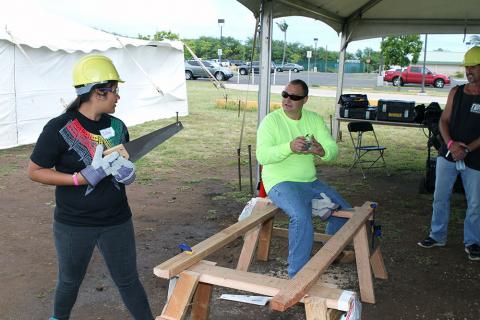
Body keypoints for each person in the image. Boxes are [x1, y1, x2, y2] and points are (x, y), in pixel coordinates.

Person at [27, 54, 154, 319]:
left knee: (128, 280)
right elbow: (35, 172)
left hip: (117, 220)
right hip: (74, 224)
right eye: (115, 91)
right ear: (98, 92)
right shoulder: (59, 128)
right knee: (69, 281)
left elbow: (125, 169)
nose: (118, 97)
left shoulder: (117, 127)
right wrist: (78, 178)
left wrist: (127, 174)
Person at [256, 79, 351, 277]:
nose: (287, 99)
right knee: (301, 217)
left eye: (294, 96)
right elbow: (262, 156)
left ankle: (327, 255)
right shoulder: (271, 121)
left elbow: (333, 150)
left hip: (309, 182)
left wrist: (322, 150)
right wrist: (288, 147)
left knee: (347, 214)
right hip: (279, 181)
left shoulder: (314, 120)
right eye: (285, 94)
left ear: (305, 99)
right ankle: (297, 276)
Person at [418, 46, 480, 261]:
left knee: (475, 203)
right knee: (440, 197)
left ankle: (473, 242)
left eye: (474, 66)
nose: (469, 70)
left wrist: (467, 149)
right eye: (467, 66)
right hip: (449, 153)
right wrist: (452, 144)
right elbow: (444, 120)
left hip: (475, 157)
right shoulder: (457, 92)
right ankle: (437, 236)